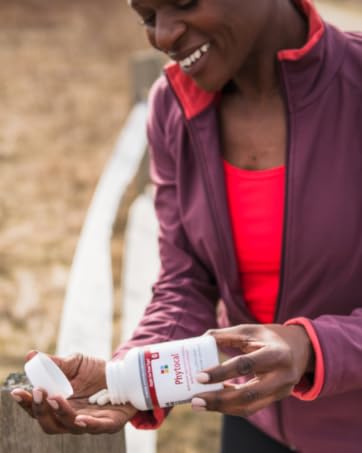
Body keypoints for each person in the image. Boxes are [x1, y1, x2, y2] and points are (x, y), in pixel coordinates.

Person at [11, 0, 362, 451]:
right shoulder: (174, 110)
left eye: (183, 3)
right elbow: (187, 280)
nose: (163, 35)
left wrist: (311, 348)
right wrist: (131, 378)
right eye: (148, 17)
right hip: (256, 428)